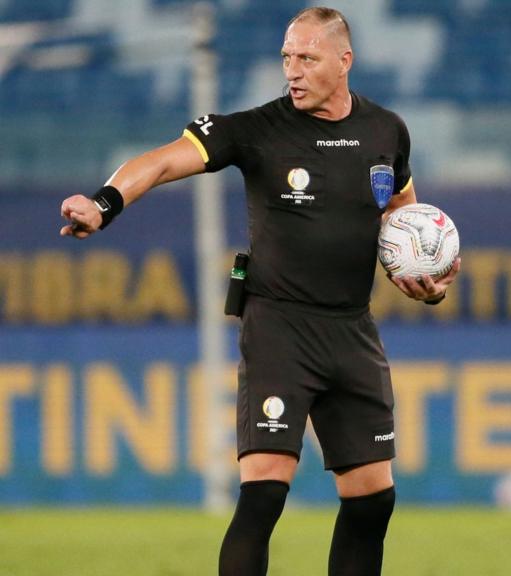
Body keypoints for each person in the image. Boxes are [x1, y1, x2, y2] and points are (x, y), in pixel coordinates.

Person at [59, 7, 458, 576]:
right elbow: (161, 161)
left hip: (352, 330)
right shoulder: (257, 130)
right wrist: (104, 203)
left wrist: (427, 281)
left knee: (373, 499)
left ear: (344, 62)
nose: (292, 71)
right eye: (286, 59)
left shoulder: (385, 131)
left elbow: (404, 217)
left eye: (307, 58)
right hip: (279, 329)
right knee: (265, 492)